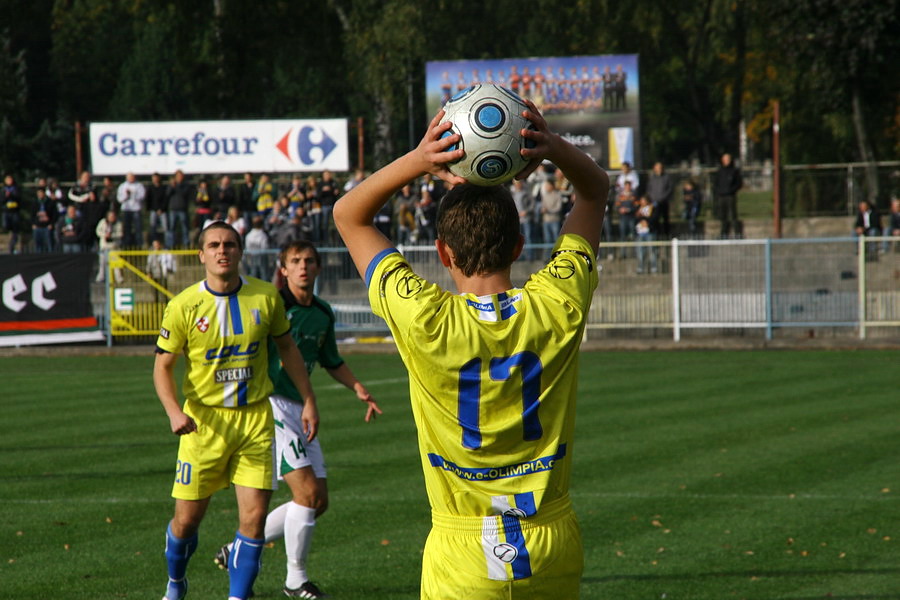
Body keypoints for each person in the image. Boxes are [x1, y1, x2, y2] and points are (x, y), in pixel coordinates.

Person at [333, 100, 608, 599]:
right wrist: (553, 147)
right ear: (520, 246)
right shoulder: (557, 304)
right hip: (550, 541)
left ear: (443, 252)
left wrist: (422, 159)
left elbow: (349, 216)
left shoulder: (424, 318)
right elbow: (595, 191)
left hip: (462, 547)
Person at [153, 221, 318, 600]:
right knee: (186, 521)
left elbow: (288, 349)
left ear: (240, 252)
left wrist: (308, 398)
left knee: (254, 519)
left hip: (256, 421)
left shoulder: (265, 297)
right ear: (202, 255)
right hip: (203, 424)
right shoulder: (183, 306)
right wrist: (174, 412)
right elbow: (162, 366)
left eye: (229, 244)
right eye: (213, 245)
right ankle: (176, 584)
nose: (222, 250)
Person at [214, 240, 382, 598]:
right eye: (295, 261)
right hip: (271, 405)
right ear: (283, 268)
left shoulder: (321, 312)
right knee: (305, 493)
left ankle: (235, 550)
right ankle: (295, 580)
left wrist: (359, 389)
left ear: (318, 269)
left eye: (309, 261)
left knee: (318, 500)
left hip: (301, 406)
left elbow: (330, 360)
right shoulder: (272, 305)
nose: (303, 266)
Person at [714, 152, 743, 237]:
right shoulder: (720, 171)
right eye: (724, 159)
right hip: (721, 195)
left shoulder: (734, 171)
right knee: (723, 216)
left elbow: (739, 183)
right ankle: (723, 233)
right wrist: (719, 191)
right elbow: (716, 183)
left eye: (727, 159)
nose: (726, 161)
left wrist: (731, 190)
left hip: (730, 195)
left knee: (733, 215)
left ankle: (737, 233)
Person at [117, 172, 146, 248]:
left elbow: (142, 196)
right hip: (126, 210)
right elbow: (119, 199)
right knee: (126, 229)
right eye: (129, 177)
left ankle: (139, 246)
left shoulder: (139, 186)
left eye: (132, 177)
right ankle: (127, 246)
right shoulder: (122, 186)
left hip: (136, 209)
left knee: (138, 229)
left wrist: (134, 194)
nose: (131, 179)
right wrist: (126, 195)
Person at [95, 210, 124, 283]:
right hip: (104, 246)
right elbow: (97, 231)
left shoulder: (118, 223)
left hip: (114, 247)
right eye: (110, 216)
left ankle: (119, 279)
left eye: (113, 216)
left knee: (116, 264)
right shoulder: (103, 222)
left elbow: (120, 234)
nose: (112, 218)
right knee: (102, 263)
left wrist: (112, 235)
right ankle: (101, 277)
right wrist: (105, 235)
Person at [646, 162, 673, 238]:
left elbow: (669, 189)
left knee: (665, 219)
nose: (659, 169)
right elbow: (649, 189)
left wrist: (663, 197)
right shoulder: (652, 178)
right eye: (657, 167)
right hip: (654, 202)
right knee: (655, 219)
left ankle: (667, 235)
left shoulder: (666, 177)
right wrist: (652, 198)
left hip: (664, 202)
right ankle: (657, 235)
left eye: (660, 167)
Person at [167, 170, 192, 248]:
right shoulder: (171, 185)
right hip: (173, 209)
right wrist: (172, 186)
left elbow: (183, 194)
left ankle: (186, 244)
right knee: (171, 228)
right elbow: (167, 194)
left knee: (184, 228)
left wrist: (176, 186)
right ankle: (171, 244)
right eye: (178, 176)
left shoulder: (185, 185)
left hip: (182, 209)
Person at [634, 195, 658, 274]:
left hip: (649, 232)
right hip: (640, 233)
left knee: (652, 251)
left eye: (643, 200)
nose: (642, 202)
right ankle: (641, 267)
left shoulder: (652, 209)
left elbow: (654, 219)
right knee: (640, 251)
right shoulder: (638, 209)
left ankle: (654, 267)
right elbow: (636, 219)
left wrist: (646, 220)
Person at [31, 186, 57, 253]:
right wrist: (33, 224)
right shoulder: (35, 202)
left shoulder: (50, 202)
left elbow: (54, 215)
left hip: (47, 227)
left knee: (49, 245)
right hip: (37, 227)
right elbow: (32, 215)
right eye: (38, 193)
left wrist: (51, 224)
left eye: (41, 193)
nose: (40, 194)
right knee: (38, 246)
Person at [147, 172, 169, 246]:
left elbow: (165, 199)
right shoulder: (150, 188)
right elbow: (148, 200)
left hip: (162, 211)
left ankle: (167, 244)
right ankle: (154, 243)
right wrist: (152, 209)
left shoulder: (163, 188)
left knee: (165, 228)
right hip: (153, 211)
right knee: (153, 228)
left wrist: (161, 209)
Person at [3, 174, 22, 253]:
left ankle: (12, 245)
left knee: (15, 229)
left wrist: (11, 195)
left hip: (14, 211)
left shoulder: (16, 189)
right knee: (5, 226)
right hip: (6, 211)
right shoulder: (3, 190)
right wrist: (6, 196)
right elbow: (2, 201)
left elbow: (19, 199)